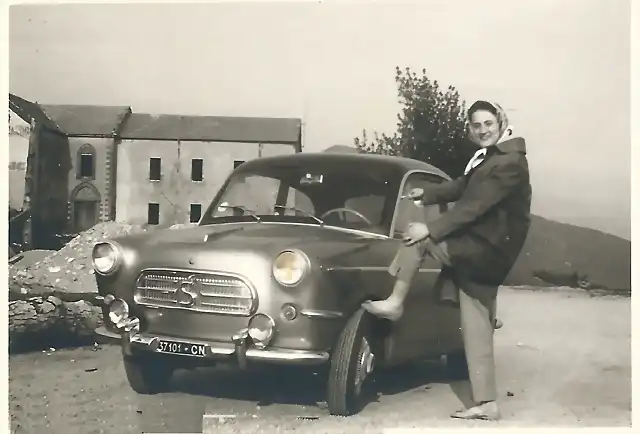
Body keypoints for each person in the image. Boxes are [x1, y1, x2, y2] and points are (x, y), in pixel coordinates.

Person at [363, 100, 532, 421]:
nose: (482, 130)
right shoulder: (493, 159)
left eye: (488, 124)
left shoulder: (509, 163)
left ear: (501, 122)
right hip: (485, 250)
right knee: (476, 326)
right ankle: (487, 404)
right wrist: (426, 195)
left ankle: (396, 301)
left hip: (485, 249)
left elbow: (474, 206)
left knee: (418, 237)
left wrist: (431, 227)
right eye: (476, 125)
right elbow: (462, 186)